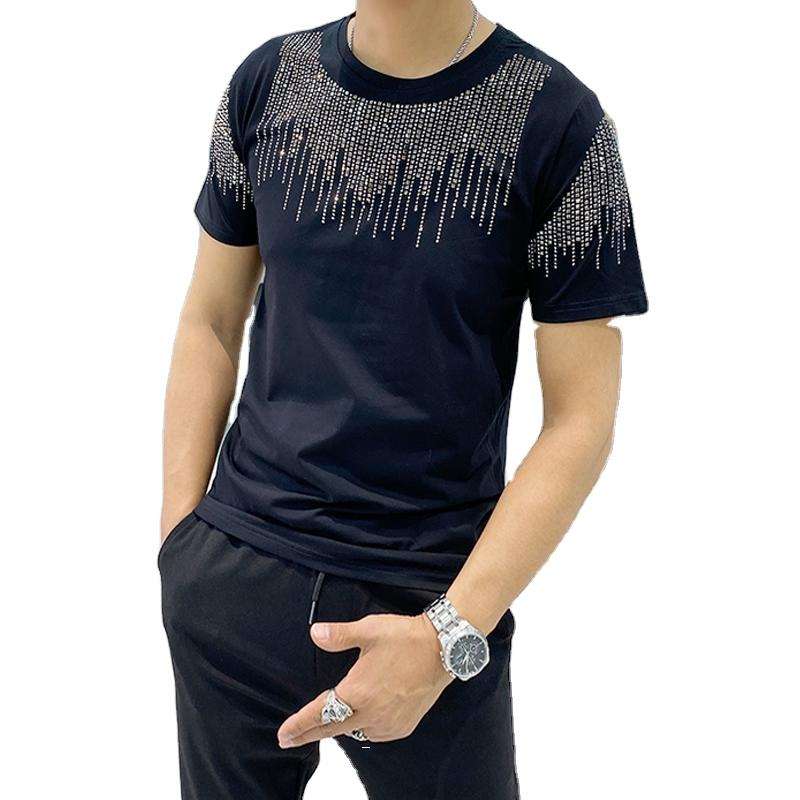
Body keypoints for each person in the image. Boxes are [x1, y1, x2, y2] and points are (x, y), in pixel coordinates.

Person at [159, 1, 648, 797]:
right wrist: (181, 546)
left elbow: (581, 420)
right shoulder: (268, 81)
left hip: (428, 597)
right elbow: (209, 318)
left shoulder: (558, 122)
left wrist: (447, 635)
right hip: (234, 580)